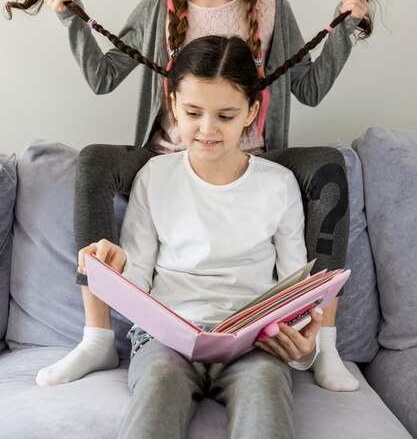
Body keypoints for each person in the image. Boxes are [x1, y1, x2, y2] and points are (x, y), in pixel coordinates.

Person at [7, 0, 371, 391]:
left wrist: (347, 29)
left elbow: (308, 88)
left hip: (252, 155)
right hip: (166, 155)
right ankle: (94, 337)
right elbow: (103, 75)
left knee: (330, 163)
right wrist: (71, 17)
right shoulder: (163, 2)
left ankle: (325, 343)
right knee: (93, 158)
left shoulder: (268, 7)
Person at [80, 35, 324, 439]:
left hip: (253, 344)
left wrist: (305, 349)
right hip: (168, 341)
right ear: (173, 103)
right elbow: (138, 280)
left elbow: (294, 287)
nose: (206, 129)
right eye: (192, 112)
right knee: (157, 387)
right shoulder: (154, 177)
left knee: (265, 395)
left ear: (251, 112)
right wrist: (115, 270)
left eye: (225, 116)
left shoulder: (278, 185)